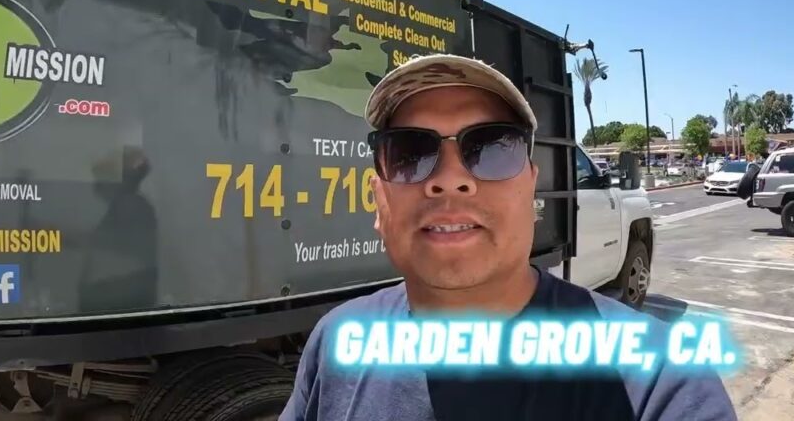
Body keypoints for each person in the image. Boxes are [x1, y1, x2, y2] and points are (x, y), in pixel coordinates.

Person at [280, 53, 737, 421]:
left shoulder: (662, 383)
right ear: (379, 198)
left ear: (532, 190)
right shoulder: (335, 341)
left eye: (493, 147)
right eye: (409, 152)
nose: (450, 179)